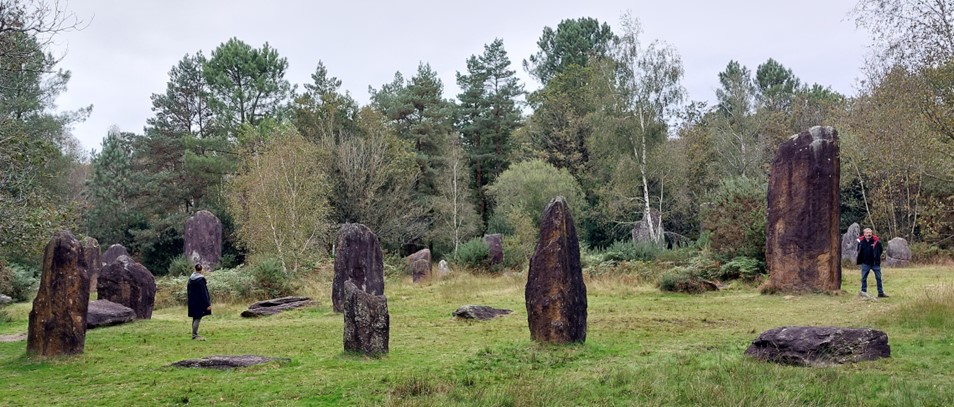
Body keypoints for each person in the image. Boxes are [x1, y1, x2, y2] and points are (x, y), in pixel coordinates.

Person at [856, 228, 888, 298]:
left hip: (875, 263)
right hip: (865, 263)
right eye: (867, 233)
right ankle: (863, 292)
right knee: (864, 278)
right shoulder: (860, 242)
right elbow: (858, 250)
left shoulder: (877, 241)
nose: (869, 234)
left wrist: (876, 257)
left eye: (870, 233)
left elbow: (880, 250)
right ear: (864, 234)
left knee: (879, 278)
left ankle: (880, 293)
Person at [187, 263, 212, 340]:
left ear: (195, 269)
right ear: (201, 270)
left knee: (195, 317)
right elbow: (204, 292)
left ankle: (194, 333)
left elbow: (188, 290)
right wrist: (208, 303)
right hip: (199, 302)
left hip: (192, 301)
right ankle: (194, 335)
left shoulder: (191, 279)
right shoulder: (201, 279)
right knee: (198, 317)